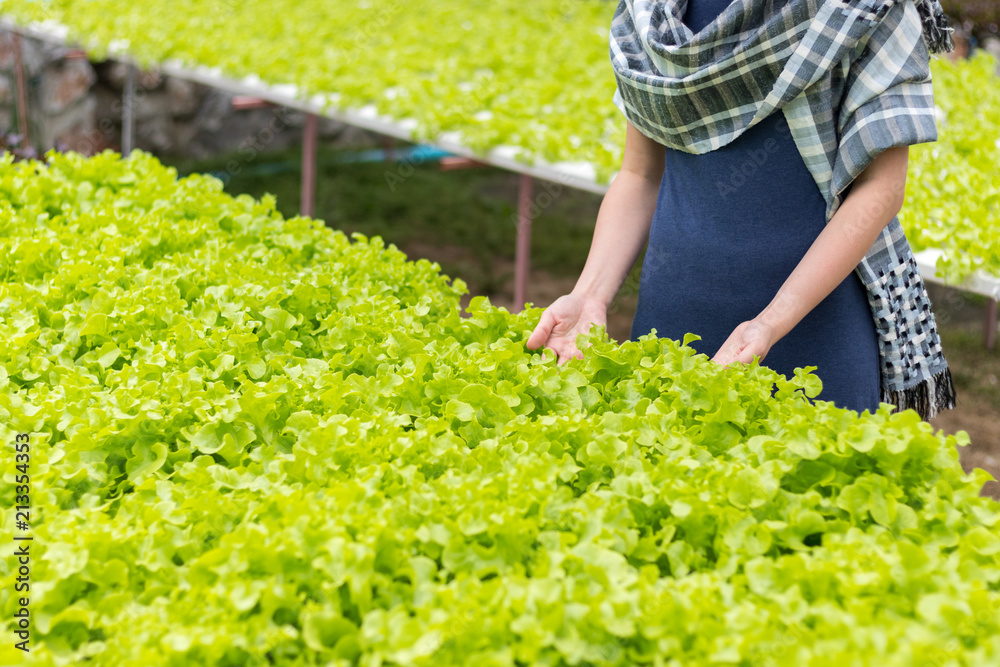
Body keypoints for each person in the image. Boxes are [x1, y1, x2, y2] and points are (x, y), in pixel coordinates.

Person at [527, 0, 958, 420]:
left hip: (812, 336)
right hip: (670, 324)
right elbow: (641, 175)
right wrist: (589, 295)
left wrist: (770, 324)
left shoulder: (865, 9)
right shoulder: (653, 12)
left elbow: (879, 191)